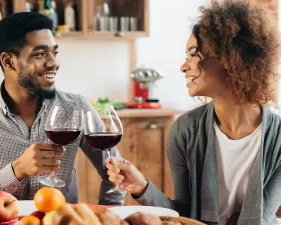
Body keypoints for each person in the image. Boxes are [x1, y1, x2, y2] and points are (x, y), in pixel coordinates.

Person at [106, 0, 281, 224]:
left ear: (230, 58)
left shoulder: (277, 139)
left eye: (192, 55)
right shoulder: (185, 130)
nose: (183, 66)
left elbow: (263, 218)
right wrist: (142, 187)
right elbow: (183, 215)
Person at [0, 12, 125, 205]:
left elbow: (115, 174)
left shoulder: (76, 107)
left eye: (54, 53)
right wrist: (16, 171)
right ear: (8, 61)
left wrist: (108, 216)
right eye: (40, 54)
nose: (53, 63)